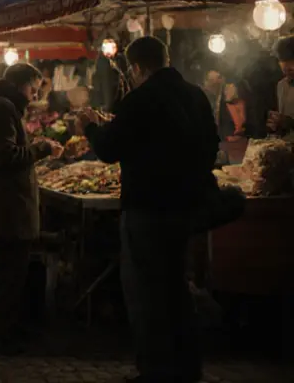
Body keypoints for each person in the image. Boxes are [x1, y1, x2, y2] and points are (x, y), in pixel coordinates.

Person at [75, 36, 219, 383]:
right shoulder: (195, 95)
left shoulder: (139, 100)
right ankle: (187, 367)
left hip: (147, 209)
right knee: (177, 287)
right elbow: (212, 145)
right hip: (186, 208)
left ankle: (155, 370)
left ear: (137, 68)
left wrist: (91, 127)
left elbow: (109, 149)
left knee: (147, 293)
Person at [0, 64, 62, 356]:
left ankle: (6, 334)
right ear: (21, 84)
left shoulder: (3, 106)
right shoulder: (1, 109)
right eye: (33, 88)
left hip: (6, 209)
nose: (35, 94)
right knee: (6, 279)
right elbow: (4, 155)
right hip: (6, 211)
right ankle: (0, 341)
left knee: (9, 278)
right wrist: (42, 148)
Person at [268, 36, 294, 141]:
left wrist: (291, 123)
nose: (289, 68)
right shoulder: (281, 85)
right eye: (283, 61)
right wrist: (277, 125)